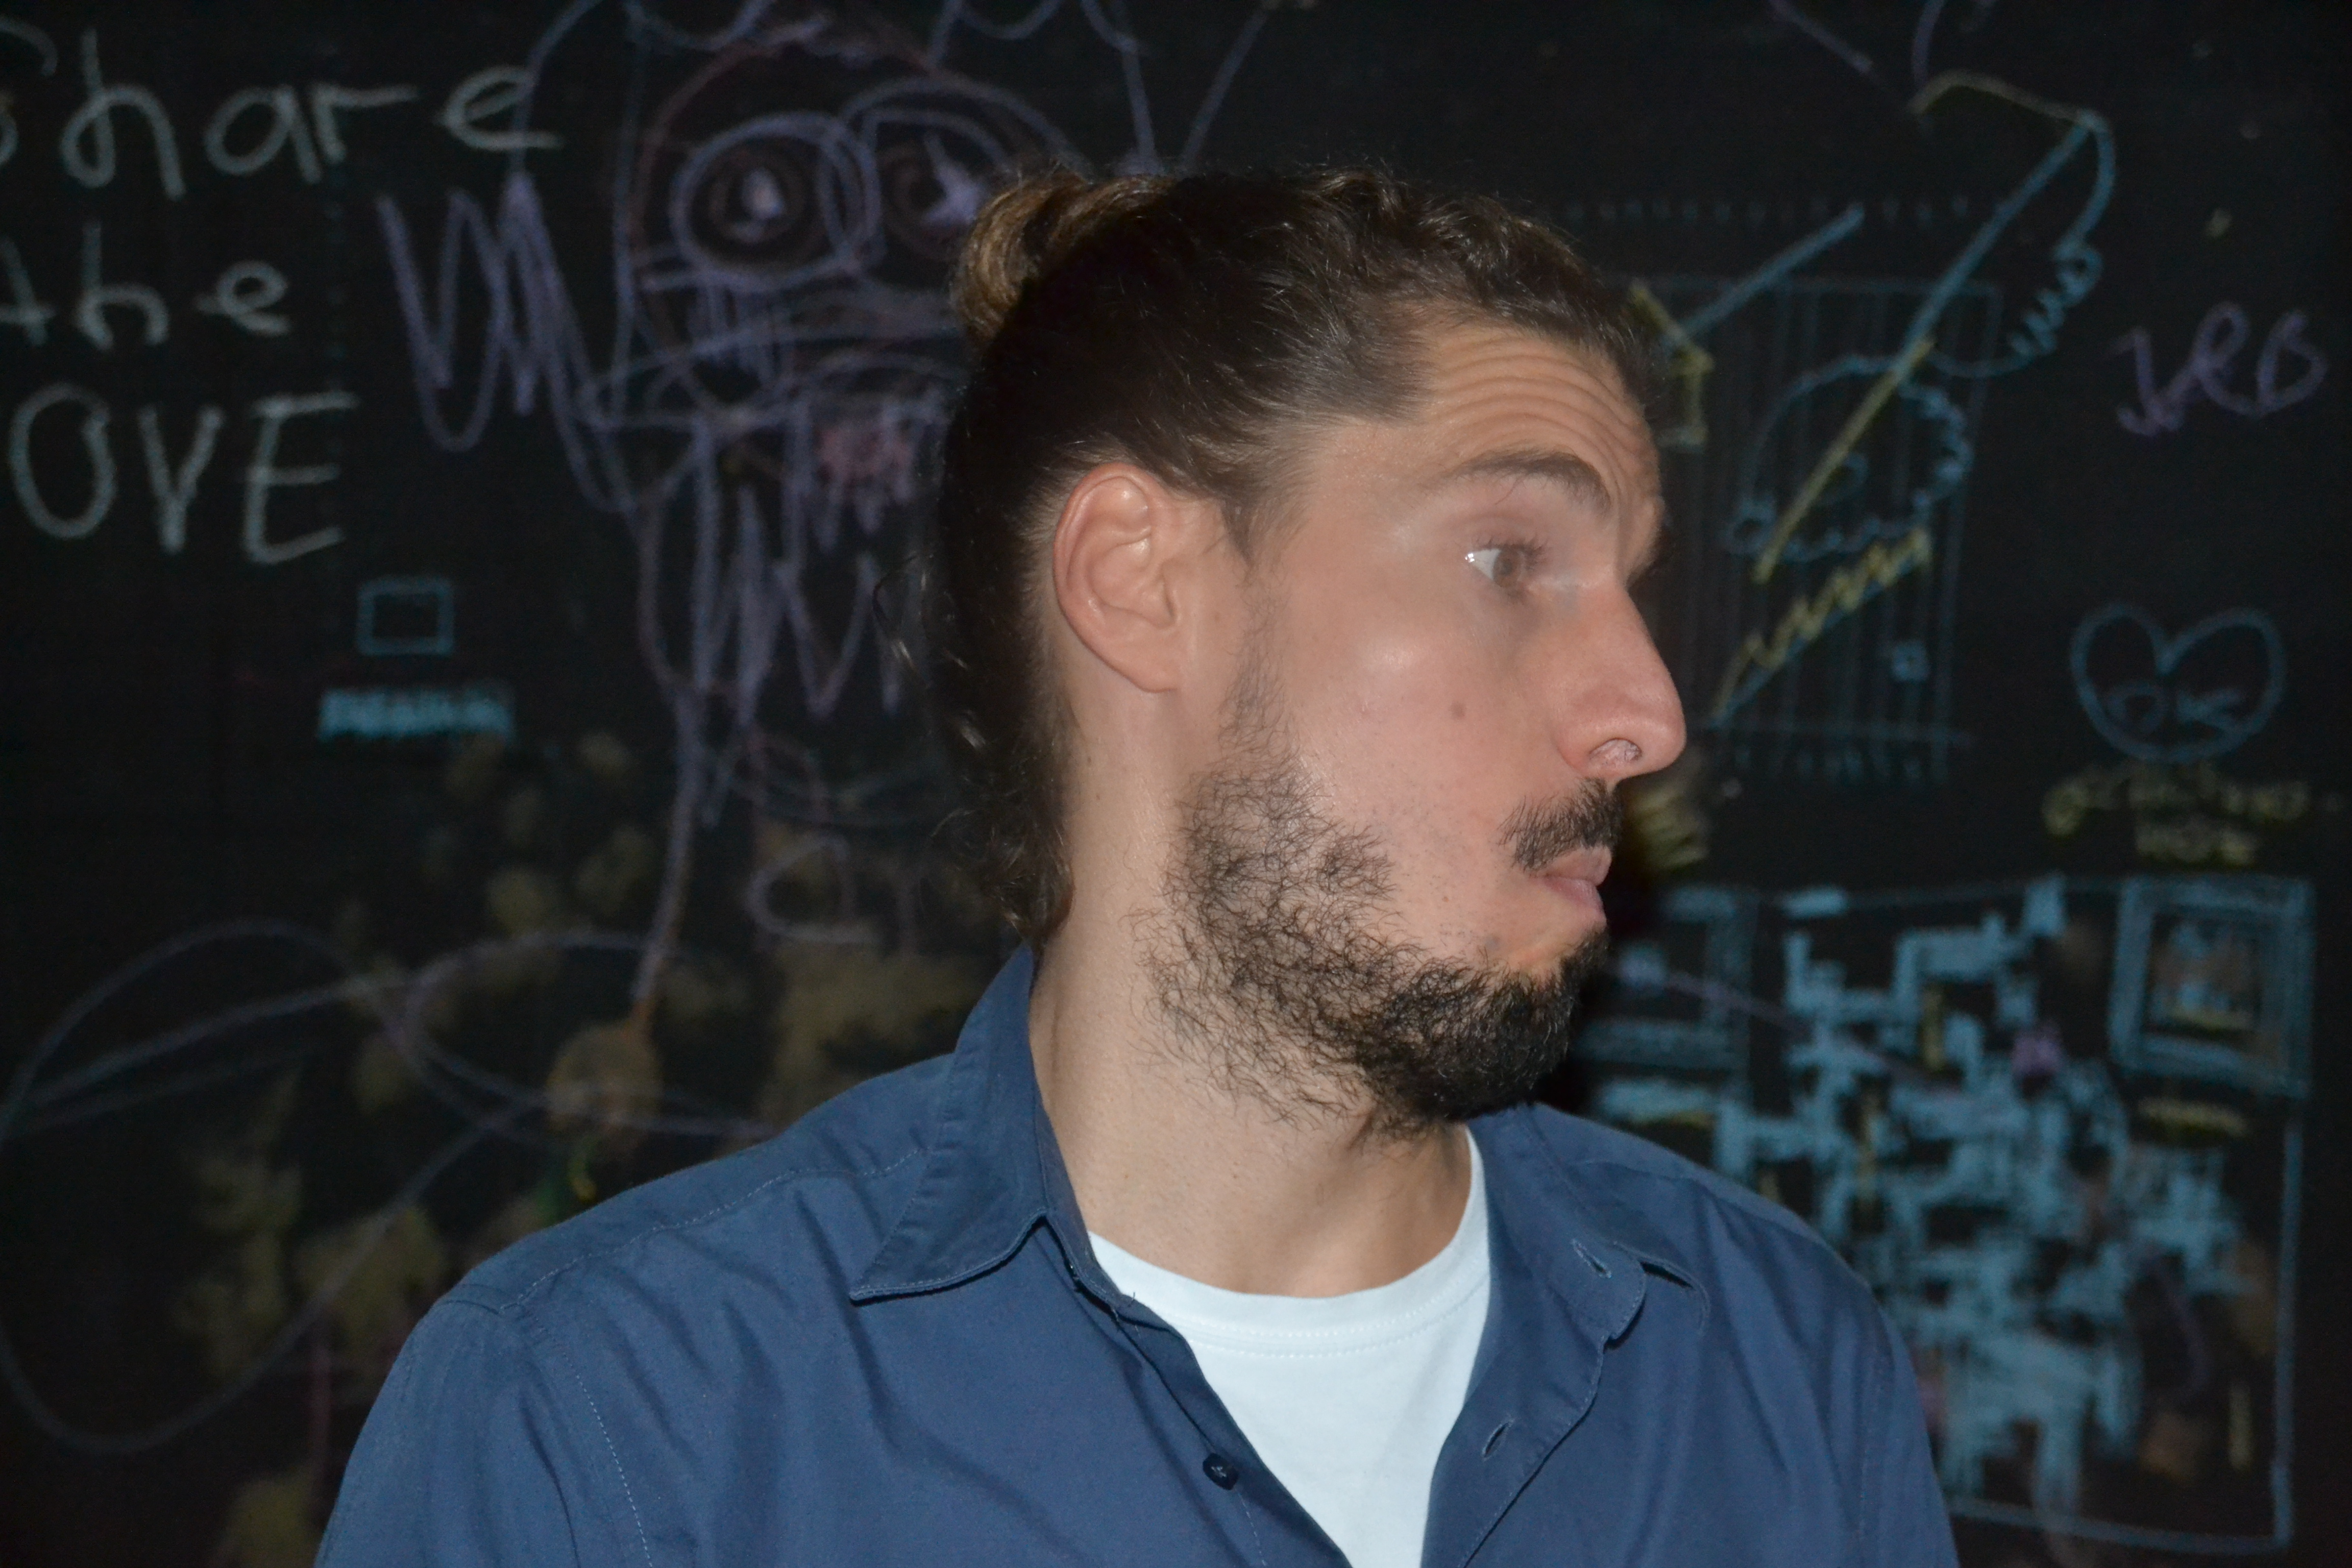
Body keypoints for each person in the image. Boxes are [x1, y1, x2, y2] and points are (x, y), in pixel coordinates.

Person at [319, 168, 1956, 1567]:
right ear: (1139, 583)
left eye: (1630, 587)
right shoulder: (618, 1426)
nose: (1648, 712)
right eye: (1507, 559)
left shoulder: (1774, 1368)